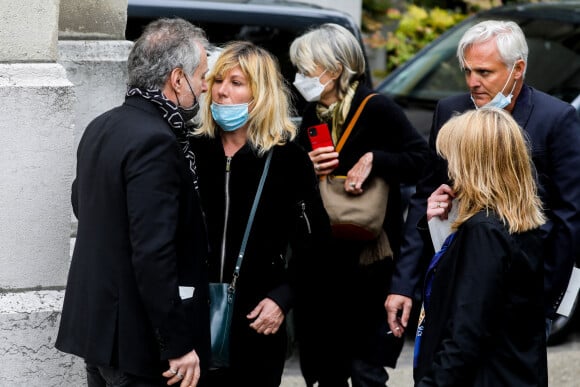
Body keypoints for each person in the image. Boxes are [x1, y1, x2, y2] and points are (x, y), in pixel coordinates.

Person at [386, 20, 580, 340]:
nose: (473, 82)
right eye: (467, 71)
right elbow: (426, 197)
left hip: (522, 289)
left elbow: (569, 216)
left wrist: (544, 298)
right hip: (456, 285)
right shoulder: (451, 110)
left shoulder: (556, 118)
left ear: (517, 69)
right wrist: (404, 285)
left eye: (485, 72)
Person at [56, 18, 211, 387]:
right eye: (202, 75)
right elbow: (152, 252)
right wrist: (177, 343)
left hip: (100, 332)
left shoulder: (103, 126)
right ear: (177, 79)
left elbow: (85, 204)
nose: (205, 87)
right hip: (135, 342)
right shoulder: (155, 140)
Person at [289, 23, 429, 387]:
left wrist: (375, 159)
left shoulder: (377, 108)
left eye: (306, 69)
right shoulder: (312, 114)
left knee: (367, 370)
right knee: (325, 370)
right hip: (322, 263)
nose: (300, 77)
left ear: (334, 71)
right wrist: (306, 165)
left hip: (370, 264)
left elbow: (423, 160)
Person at [189, 41, 332, 387]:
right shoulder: (190, 150)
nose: (222, 92)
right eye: (218, 80)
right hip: (190, 319)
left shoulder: (287, 160)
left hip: (257, 320)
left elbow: (317, 245)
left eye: (237, 83)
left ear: (261, 93)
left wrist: (283, 298)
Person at [414, 107, 548, 386]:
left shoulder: (484, 232)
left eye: (452, 157)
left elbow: (465, 334)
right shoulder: (516, 221)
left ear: (471, 163)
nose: (449, 168)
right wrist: (439, 223)